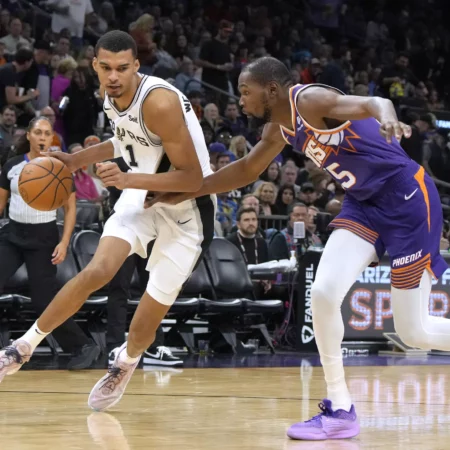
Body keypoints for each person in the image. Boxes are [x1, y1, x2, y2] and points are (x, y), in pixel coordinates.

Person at [147, 56, 448, 441]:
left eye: (244, 90)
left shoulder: (310, 101)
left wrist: (388, 115)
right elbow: (245, 170)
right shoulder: (280, 129)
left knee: (414, 331)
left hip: (408, 201)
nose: (240, 99)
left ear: (272, 90)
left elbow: (372, 104)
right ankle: (340, 409)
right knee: (322, 293)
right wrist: (183, 190)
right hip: (364, 205)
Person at [0, 31, 215, 412]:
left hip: (187, 207)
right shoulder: (111, 96)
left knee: (148, 314)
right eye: (105, 68)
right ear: (95, 65)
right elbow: (123, 142)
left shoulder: (159, 102)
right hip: (142, 194)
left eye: (121, 68)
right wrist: (73, 161)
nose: (113, 76)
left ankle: (126, 362)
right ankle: (22, 348)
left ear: (136, 66)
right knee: (97, 270)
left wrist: (127, 178)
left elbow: (193, 178)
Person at [0, 116, 99, 369]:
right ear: (29, 136)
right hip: (12, 235)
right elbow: (0, 205)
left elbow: (70, 207)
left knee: (44, 300)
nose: (43, 137)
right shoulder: (11, 165)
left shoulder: (59, 167)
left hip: (44, 237)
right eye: (38, 133)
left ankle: (82, 346)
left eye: (47, 133)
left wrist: (65, 242)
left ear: (51, 137)